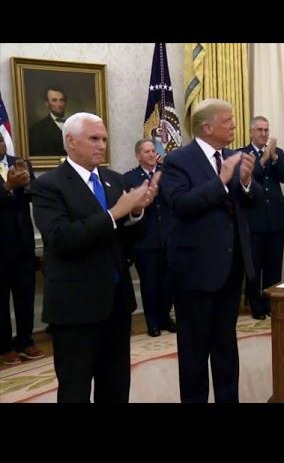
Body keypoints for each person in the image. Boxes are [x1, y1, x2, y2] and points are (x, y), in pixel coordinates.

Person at [30, 112, 159, 403]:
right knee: (75, 390)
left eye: (103, 139)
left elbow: (127, 241)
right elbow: (62, 238)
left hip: (116, 303)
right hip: (75, 308)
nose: (102, 145)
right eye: (94, 139)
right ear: (71, 142)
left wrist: (137, 212)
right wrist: (116, 213)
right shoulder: (48, 185)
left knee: (115, 387)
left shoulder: (114, 180)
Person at [161, 98, 263, 403]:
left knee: (226, 347)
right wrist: (221, 181)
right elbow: (181, 205)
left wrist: (245, 181)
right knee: (194, 351)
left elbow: (253, 199)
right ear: (207, 127)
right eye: (228, 120)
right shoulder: (178, 160)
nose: (234, 125)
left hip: (231, 268)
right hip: (195, 271)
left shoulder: (234, 155)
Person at [241, 116, 284, 320]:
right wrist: (263, 158)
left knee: (274, 265)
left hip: (276, 218)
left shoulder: (277, 153)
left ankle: (270, 302)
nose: (264, 134)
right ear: (251, 132)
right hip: (254, 219)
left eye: (266, 130)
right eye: (260, 130)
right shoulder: (242, 154)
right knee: (254, 266)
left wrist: (275, 158)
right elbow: (249, 178)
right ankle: (256, 305)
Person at [0, 135, 45, 365]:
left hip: (23, 244)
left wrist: (27, 183)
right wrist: (8, 186)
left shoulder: (19, 163)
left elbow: (35, 194)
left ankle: (26, 341)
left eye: (0, 141)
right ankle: (5, 346)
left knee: (25, 296)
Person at [124, 139, 176, 337]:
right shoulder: (129, 178)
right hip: (145, 240)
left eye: (153, 151)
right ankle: (152, 321)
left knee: (168, 282)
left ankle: (165, 317)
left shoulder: (168, 174)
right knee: (150, 284)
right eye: (146, 151)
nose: (151, 154)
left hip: (169, 237)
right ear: (138, 156)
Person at [29, 87, 67, 156]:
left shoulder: (74, 124)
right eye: (54, 100)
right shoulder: (37, 129)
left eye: (61, 100)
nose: (59, 104)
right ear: (47, 103)